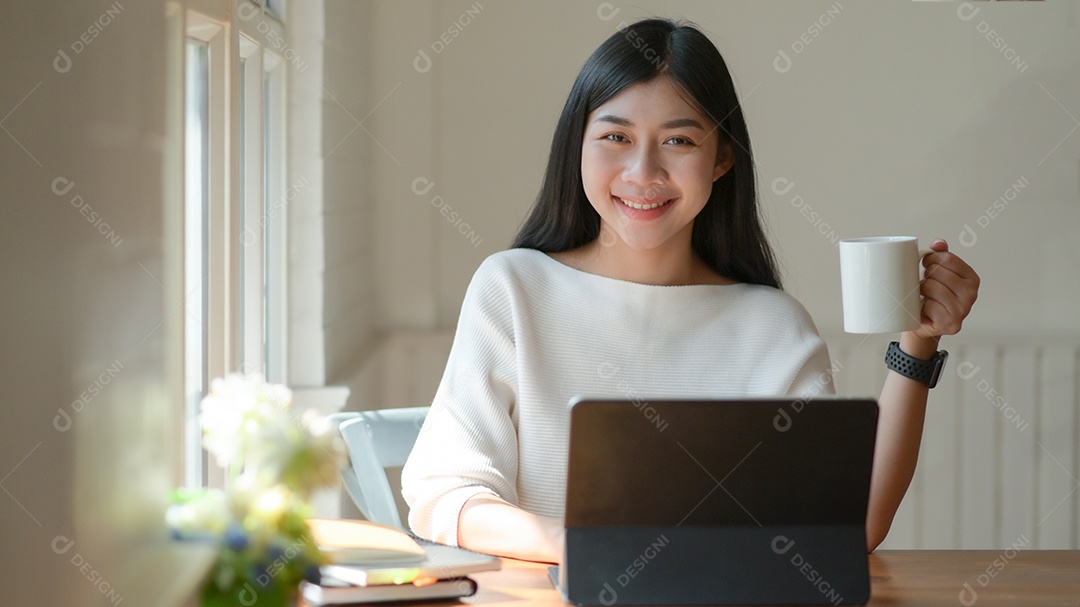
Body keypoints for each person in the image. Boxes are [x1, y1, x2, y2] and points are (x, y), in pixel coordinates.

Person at [400, 18, 979, 564]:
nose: (643, 172)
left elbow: (849, 526)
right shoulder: (514, 290)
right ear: (577, 144)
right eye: (616, 136)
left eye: (678, 142)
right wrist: (593, 547)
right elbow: (445, 498)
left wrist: (918, 343)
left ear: (722, 157)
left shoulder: (772, 324)